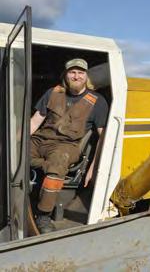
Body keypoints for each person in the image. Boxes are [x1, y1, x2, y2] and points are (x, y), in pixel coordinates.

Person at [30, 58, 108, 233]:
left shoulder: (97, 101)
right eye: (72, 72)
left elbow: (103, 137)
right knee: (11, 154)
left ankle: (43, 215)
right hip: (41, 140)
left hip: (67, 147)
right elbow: (35, 122)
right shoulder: (53, 93)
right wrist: (13, 142)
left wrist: (94, 167)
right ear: (65, 75)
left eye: (80, 72)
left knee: (58, 162)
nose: (76, 76)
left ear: (86, 76)